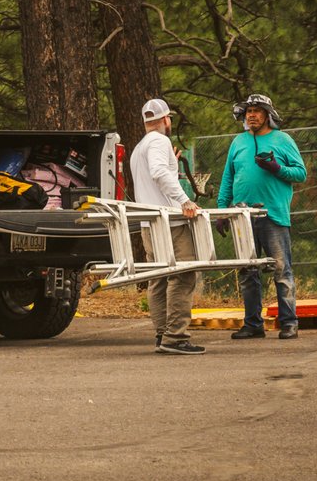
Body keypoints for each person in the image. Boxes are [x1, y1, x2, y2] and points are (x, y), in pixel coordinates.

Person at [216, 94, 307, 340]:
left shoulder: (283, 140)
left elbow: (300, 173)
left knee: (281, 270)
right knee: (247, 272)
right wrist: (223, 210)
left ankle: (289, 323)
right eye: (248, 111)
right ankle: (253, 324)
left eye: (257, 110)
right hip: (242, 216)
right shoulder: (238, 142)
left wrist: (276, 168)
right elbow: (228, 178)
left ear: (268, 114)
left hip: (273, 215)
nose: (251, 115)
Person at [129, 98, 205, 355]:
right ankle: (176, 336)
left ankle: (162, 333)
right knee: (183, 273)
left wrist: (171, 165)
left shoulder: (140, 146)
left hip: (149, 223)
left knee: (158, 278)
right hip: (169, 221)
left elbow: (158, 172)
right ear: (165, 120)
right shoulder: (160, 141)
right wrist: (185, 201)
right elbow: (159, 172)